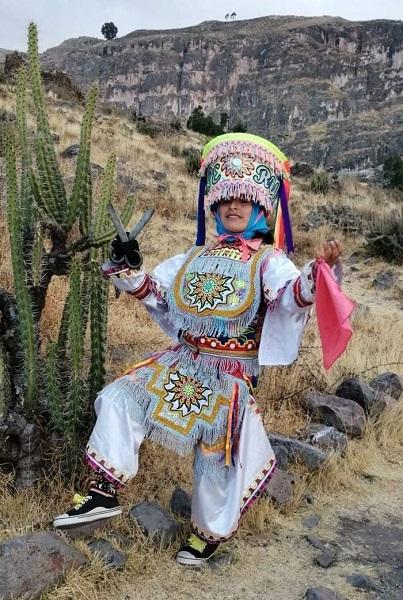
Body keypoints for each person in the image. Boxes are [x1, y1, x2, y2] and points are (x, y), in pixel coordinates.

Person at [53, 133, 345, 566]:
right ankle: (101, 493)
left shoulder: (268, 261)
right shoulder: (192, 257)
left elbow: (289, 298)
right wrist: (128, 266)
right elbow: (155, 293)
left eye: (243, 200)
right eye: (226, 199)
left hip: (230, 373)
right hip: (183, 359)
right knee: (118, 398)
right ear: (215, 205)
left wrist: (315, 273)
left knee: (216, 454)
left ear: (261, 208)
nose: (232, 207)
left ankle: (208, 533)